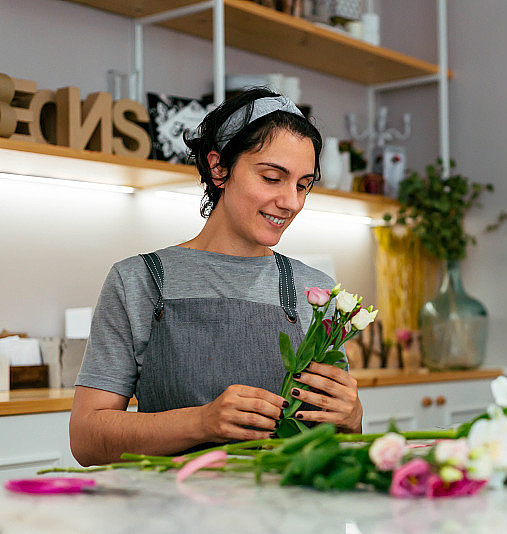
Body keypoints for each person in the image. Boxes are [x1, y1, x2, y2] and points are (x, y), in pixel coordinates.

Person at [69, 88, 362, 467]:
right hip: (171, 515)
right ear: (218, 167)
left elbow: (331, 438)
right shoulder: (139, 281)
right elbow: (86, 439)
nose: (291, 201)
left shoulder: (316, 293)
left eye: (303, 184)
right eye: (273, 177)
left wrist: (353, 420)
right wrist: (202, 422)